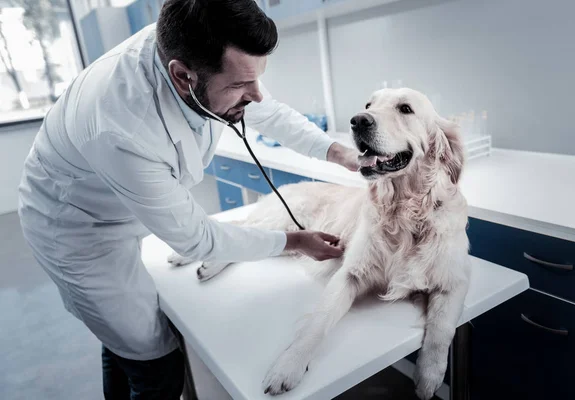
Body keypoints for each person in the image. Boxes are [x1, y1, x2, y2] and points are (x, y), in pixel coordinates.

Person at [17, 0, 360, 398]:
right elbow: (197, 239)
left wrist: (337, 152)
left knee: (122, 341)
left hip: (115, 204)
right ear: (182, 77)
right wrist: (294, 241)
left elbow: (268, 112)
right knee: (156, 364)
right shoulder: (121, 125)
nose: (256, 96)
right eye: (238, 87)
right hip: (75, 230)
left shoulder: (196, 46)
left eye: (256, 81)